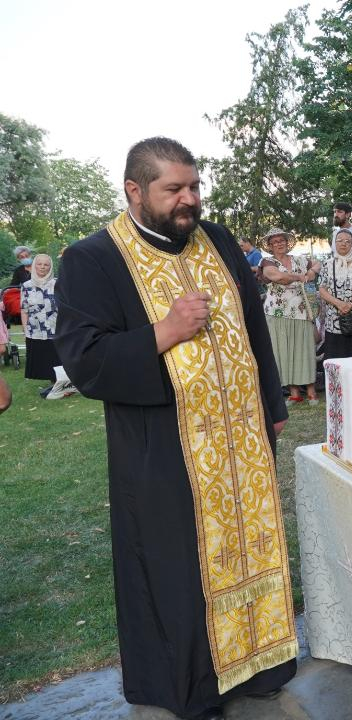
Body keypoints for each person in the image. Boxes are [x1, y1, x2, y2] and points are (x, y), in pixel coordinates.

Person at [54, 137, 297, 720]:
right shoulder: (92, 258)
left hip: (242, 440)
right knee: (176, 569)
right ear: (134, 191)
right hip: (161, 447)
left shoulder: (213, 239)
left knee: (249, 549)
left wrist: (272, 403)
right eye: (174, 190)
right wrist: (165, 331)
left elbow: (253, 327)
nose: (189, 199)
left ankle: (259, 669)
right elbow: (85, 360)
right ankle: (192, 687)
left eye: (194, 186)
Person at [260, 228, 320, 403]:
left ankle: (311, 392)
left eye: (282, 240)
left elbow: (317, 264)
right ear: (270, 246)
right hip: (278, 313)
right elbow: (278, 277)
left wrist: (311, 272)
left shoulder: (300, 259)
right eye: (275, 242)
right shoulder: (267, 262)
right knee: (284, 352)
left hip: (302, 311)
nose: (279, 244)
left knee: (305, 349)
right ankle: (294, 394)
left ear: (287, 242)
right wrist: (300, 276)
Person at [317, 228, 352, 359]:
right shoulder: (327, 265)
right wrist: (339, 304)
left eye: (348, 241)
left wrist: (350, 304)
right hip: (334, 322)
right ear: (334, 243)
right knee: (337, 363)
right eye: (340, 240)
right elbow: (322, 289)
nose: (344, 244)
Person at [20, 254, 61, 394]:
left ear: (50, 267)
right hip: (36, 329)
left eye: (46, 265)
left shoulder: (58, 284)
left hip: (56, 328)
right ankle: (54, 384)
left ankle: (61, 384)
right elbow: (24, 310)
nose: (42, 267)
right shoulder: (26, 286)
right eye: (39, 264)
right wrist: (26, 329)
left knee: (58, 358)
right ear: (34, 266)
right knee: (44, 358)